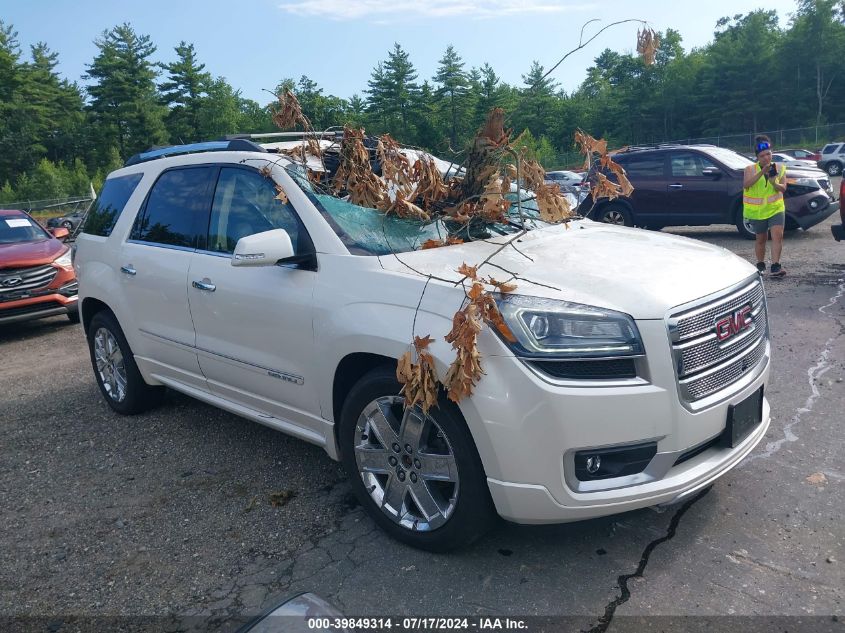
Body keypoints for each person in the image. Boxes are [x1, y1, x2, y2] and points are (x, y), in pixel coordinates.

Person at [743, 135, 787, 277]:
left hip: (776, 208)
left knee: (777, 236)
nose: (766, 158)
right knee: (761, 239)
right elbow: (746, 185)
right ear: (757, 157)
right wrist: (762, 172)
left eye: (768, 154)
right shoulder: (750, 169)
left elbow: (783, 188)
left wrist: (774, 182)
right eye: (762, 156)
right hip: (758, 211)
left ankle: (775, 266)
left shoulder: (779, 168)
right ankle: (760, 264)